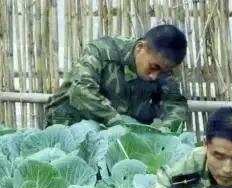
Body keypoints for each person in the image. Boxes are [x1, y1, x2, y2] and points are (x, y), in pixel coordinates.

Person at [44, 24, 189, 132]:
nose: (155, 76)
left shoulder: (162, 66)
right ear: (140, 48)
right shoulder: (102, 51)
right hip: (69, 126)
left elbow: (175, 104)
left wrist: (165, 130)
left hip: (118, 137)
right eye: (154, 67)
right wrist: (117, 122)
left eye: (163, 71)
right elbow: (81, 91)